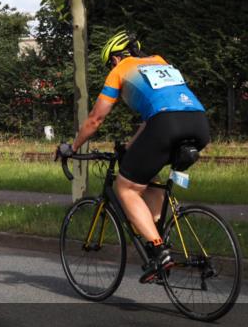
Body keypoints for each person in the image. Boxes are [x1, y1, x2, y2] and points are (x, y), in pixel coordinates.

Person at [58, 32, 210, 283]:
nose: (111, 67)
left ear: (116, 58)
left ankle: (160, 252)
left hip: (166, 125)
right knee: (148, 180)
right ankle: (161, 240)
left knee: (125, 188)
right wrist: (130, 147)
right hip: (199, 123)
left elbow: (96, 119)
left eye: (110, 63)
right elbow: (156, 115)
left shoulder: (121, 70)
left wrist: (72, 147)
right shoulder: (161, 62)